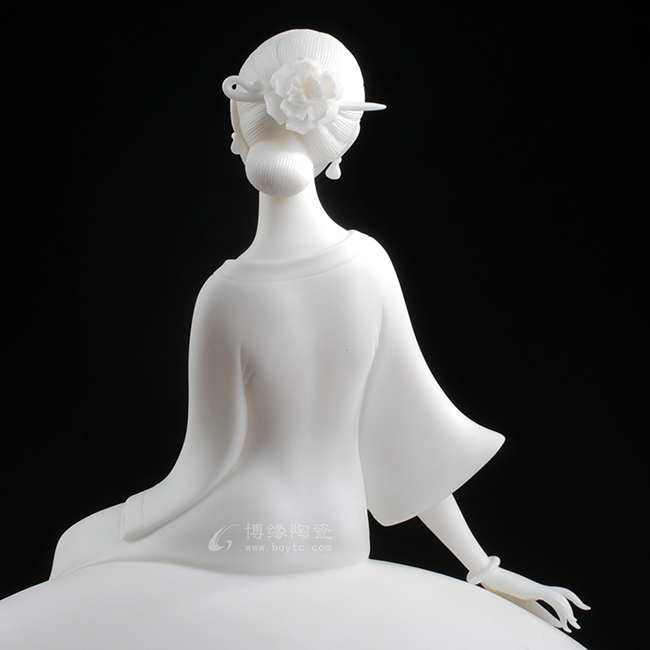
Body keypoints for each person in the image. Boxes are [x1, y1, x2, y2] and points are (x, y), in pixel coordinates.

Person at [0, 29, 589, 649]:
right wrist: (482, 566)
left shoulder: (226, 293)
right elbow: (408, 435)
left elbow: (203, 466)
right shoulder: (369, 264)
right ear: (339, 140)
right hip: (338, 533)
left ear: (240, 130)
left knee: (75, 545)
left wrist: (127, 521)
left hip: (245, 532)